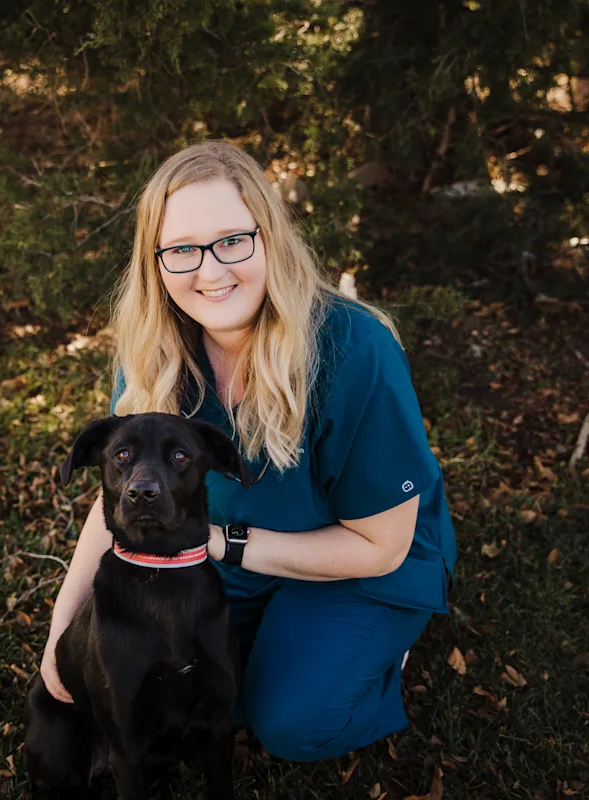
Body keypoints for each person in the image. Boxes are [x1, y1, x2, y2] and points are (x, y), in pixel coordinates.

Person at [39, 140, 457, 762]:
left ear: (270, 238)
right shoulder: (154, 352)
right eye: (182, 249)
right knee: (183, 702)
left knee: (292, 722)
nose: (210, 271)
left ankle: (382, 656)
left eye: (233, 240)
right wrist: (61, 630)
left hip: (358, 559)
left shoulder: (355, 349)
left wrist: (221, 544)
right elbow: (120, 503)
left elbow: (382, 545)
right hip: (233, 555)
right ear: (155, 262)